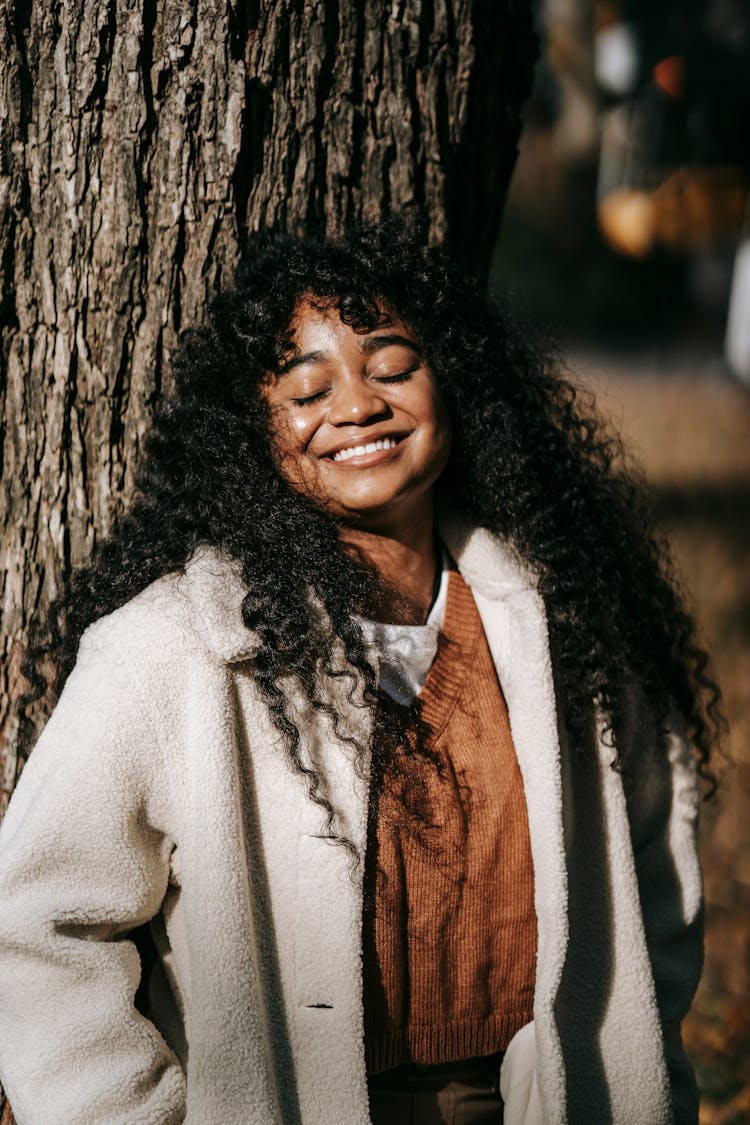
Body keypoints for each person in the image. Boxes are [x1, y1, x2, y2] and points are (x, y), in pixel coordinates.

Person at [0, 221, 719, 1124]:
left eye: (391, 365)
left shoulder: (562, 620)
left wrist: (637, 1050)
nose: (357, 405)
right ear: (253, 431)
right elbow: (35, 927)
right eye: (307, 388)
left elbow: (658, 855)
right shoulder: (174, 650)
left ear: (451, 380)